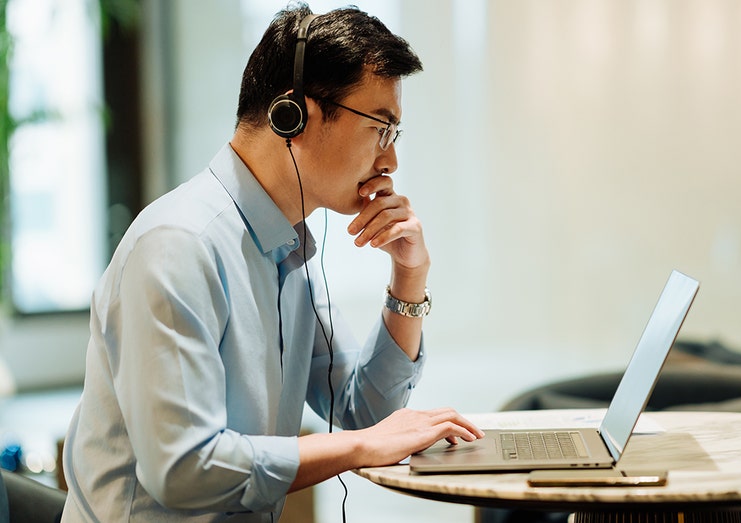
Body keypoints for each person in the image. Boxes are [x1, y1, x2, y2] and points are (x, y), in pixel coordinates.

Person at [61, 4, 483, 521]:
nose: (390, 160)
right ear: (295, 116)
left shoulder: (289, 253)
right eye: (381, 127)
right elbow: (183, 470)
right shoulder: (179, 245)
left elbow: (360, 412)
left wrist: (409, 278)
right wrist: (358, 449)